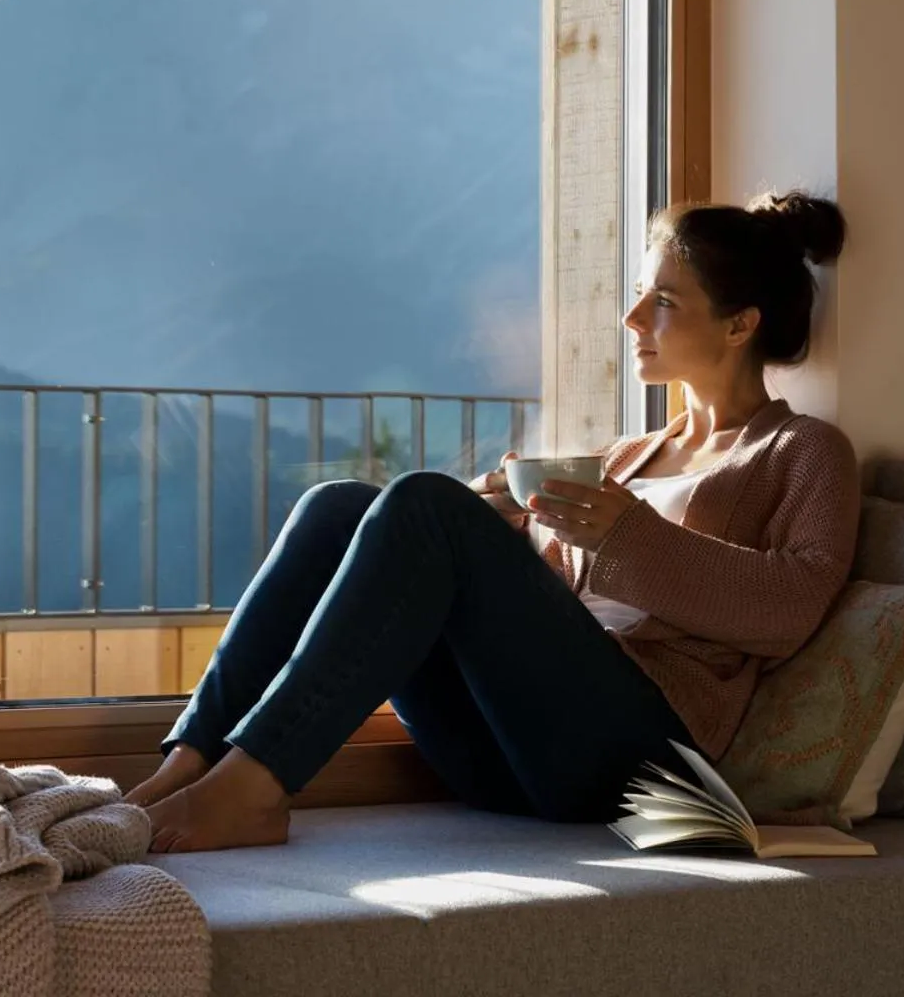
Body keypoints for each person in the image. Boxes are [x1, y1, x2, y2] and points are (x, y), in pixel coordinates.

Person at [133, 191, 861, 852]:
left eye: (663, 300)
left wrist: (621, 535)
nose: (633, 318)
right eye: (639, 294)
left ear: (740, 324)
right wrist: (502, 514)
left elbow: (792, 607)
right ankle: (188, 764)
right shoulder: (628, 454)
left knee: (426, 503)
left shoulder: (803, 450)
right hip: (514, 749)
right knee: (338, 507)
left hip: (640, 768)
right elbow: (544, 600)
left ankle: (254, 787)